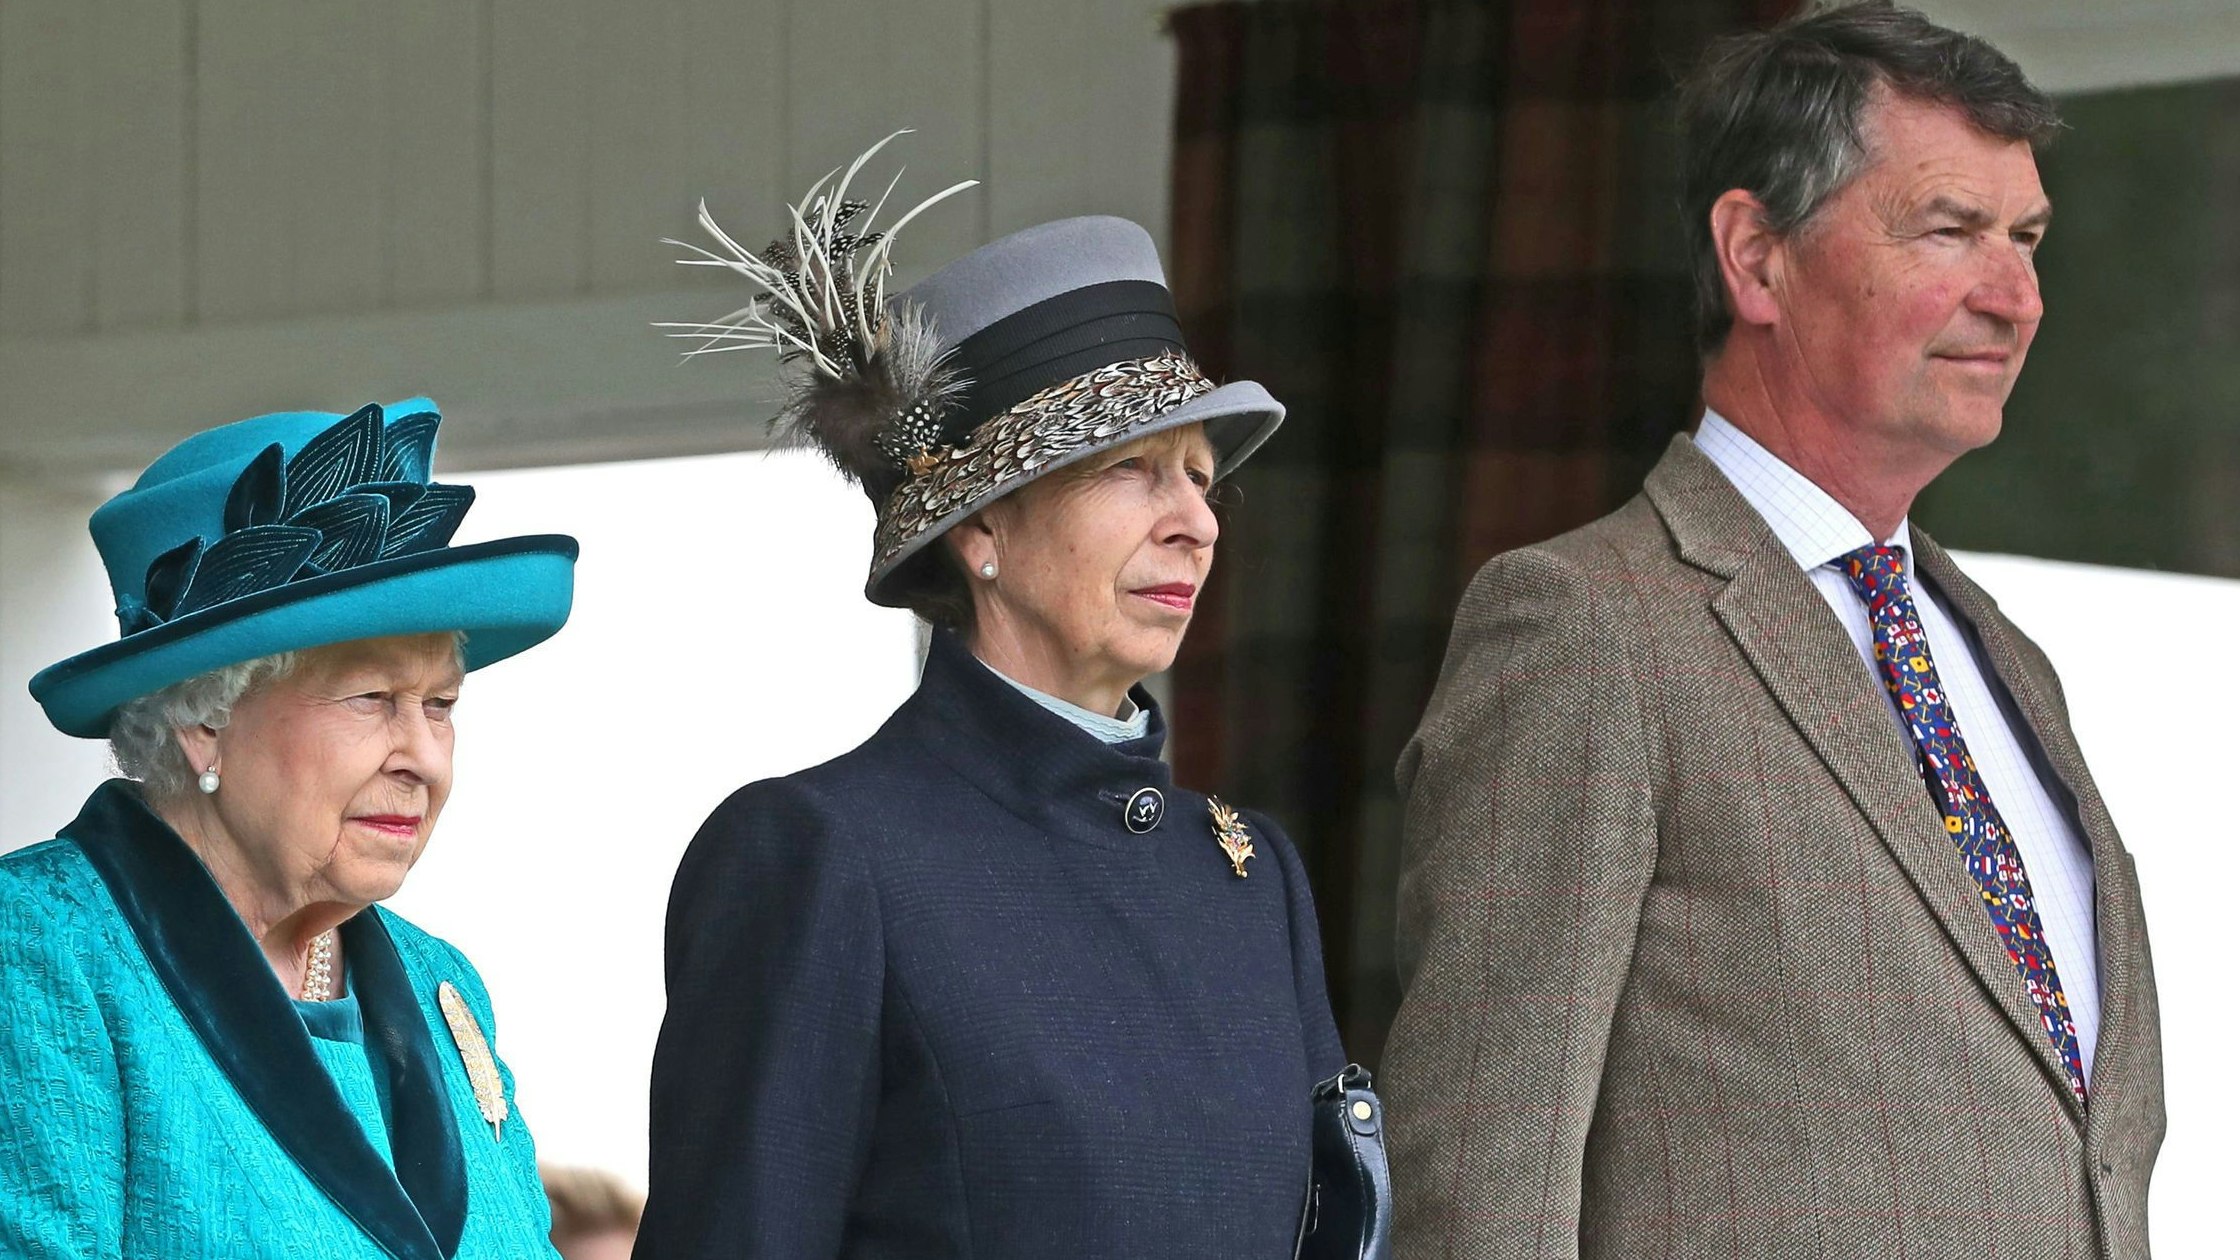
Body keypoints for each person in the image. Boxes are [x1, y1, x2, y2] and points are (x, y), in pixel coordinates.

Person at [1381, 4, 2163, 1258]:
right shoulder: (1585, 626)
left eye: (2024, 238)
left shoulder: (2004, 657)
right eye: (1950, 229)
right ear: (1753, 257)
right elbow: (1482, 1184)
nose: (2014, 296)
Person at [636, 145, 1346, 1258]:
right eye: (1131, 469)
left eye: (1201, 476)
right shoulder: (819, 856)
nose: (1195, 522)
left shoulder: (1250, 877)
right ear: (979, 530)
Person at [0, 400, 580, 1258]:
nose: (424, 757)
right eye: (371, 700)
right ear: (206, 718)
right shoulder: (40, 948)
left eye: (441, 706)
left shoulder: (440, 983)